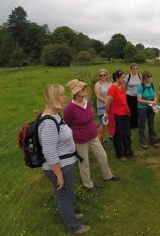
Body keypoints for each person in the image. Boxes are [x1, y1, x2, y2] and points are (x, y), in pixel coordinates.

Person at [39, 84, 90, 233]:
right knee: (63, 195)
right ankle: (73, 226)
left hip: (63, 164)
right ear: (54, 98)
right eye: (61, 95)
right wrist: (58, 174)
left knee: (66, 194)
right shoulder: (48, 122)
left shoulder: (55, 114)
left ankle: (69, 215)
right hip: (58, 167)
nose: (65, 97)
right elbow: (49, 151)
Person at [64, 79, 120, 192]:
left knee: (103, 155)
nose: (85, 90)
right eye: (82, 88)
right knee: (84, 163)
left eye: (85, 87)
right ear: (75, 92)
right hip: (80, 139)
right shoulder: (70, 108)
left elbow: (90, 117)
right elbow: (67, 124)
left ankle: (107, 176)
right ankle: (88, 184)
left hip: (93, 135)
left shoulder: (87, 101)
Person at [105, 70, 134, 162]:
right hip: (116, 115)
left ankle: (128, 152)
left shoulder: (122, 86)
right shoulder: (112, 89)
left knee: (127, 133)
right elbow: (107, 104)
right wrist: (107, 113)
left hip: (124, 113)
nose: (124, 80)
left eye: (124, 78)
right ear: (117, 78)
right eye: (122, 78)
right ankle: (120, 154)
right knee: (118, 135)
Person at [137, 71, 159, 149]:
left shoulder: (152, 85)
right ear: (144, 78)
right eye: (148, 77)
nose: (150, 78)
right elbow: (139, 100)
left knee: (151, 124)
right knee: (142, 125)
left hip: (151, 107)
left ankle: (153, 140)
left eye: (151, 76)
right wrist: (149, 102)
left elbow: (155, 95)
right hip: (142, 108)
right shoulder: (141, 87)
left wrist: (155, 101)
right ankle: (143, 142)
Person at [94, 69, 112, 144]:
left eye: (104, 75)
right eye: (100, 75)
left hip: (111, 106)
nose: (102, 76)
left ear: (107, 75)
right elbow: (98, 96)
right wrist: (107, 101)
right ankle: (103, 139)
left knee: (111, 122)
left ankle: (112, 137)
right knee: (103, 123)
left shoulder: (110, 83)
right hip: (102, 106)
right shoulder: (98, 84)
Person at [125, 63, 141, 129]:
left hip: (138, 96)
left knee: (137, 110)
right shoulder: (128, 76)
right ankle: (131, 124)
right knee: (131, 110)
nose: (135, 70)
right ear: (131, 69)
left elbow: (141, 85)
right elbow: (124, 86)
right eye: (134, 69)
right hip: (129, 96)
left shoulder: (140, 76)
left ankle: (136, 123)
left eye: (136, 68)